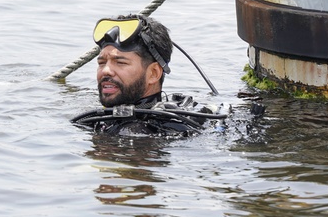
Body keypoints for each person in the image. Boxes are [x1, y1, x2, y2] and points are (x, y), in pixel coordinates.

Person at [71, 14, 227, 136]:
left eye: (120, 62)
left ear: (153, 73)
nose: (105, 71)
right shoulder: (96, 119)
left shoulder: (158, 131)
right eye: (101, 63)